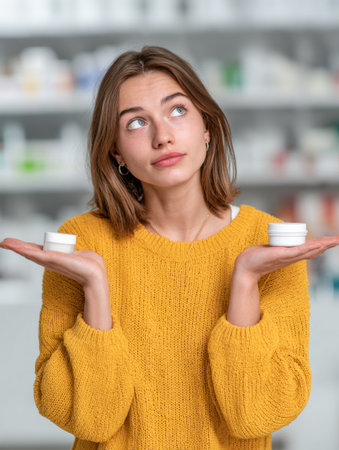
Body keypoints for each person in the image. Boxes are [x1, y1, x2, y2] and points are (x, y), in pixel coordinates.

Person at [1, 46, 338, 450]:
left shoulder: (267, 243)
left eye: (177, 111)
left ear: (207, 127)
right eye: (137, 123)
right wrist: (95, 288)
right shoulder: (82, 242)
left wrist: (245, 279)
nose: (163, 136)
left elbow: (260, 413)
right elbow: (87, 419)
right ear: (115, 150)